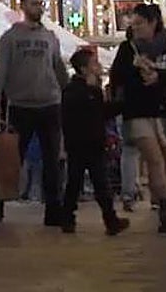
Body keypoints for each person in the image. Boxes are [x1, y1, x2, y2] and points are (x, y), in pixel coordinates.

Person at [0, 0, 68, 225]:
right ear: (23, 7)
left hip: (50, 104)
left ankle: (53, 210)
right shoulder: (9, 39)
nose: (39, 7)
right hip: (21, 106)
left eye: (41, 3)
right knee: (12, 159)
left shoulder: (50, 37)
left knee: (52, 160)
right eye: (34, 4)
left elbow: (59, 69)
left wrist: (69, 92)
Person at [108, 3, 166, 235]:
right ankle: (165, 209)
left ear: (153, 22)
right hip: (139, 112)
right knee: (154, 159)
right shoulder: (127, 49)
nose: (135, 29)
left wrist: (159, 76)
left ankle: (164, 202)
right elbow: (117, 77)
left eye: (140, 24)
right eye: (132, 25)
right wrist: (136, 72)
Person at [59, 49, 128, 236]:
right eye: (94, 63)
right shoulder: (74, 91)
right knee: (79, 182)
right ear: (84, 69)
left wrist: (120, 105)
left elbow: (102, 112)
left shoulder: (90, 90)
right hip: (82, 143)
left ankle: (106, 219)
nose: (98, 67)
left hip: (92, 143)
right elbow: (88, 113)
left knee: (94, 182)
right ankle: (71, 218)